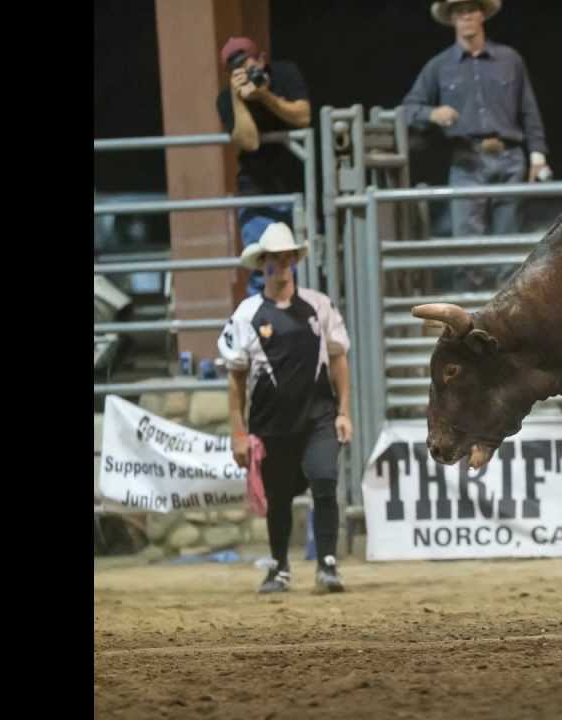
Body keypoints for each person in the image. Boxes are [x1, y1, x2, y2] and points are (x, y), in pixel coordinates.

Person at [218, 223, 353, 595]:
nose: (280, 264)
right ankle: (279, 565)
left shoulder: (318, 305)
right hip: (271, 424)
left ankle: (327, 562)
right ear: (262, 263)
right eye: (273, 258)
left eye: (285, 257)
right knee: (277, 496)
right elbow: (236, 380)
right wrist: (239, 432)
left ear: (294, 260)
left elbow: (339, 359)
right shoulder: (247, 315)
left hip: (318, 417)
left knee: (324, 479)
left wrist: (343, 411)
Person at [402, 0, 552, 237]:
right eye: (459, 12)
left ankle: (506, 275)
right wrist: (432, 113)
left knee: (509, 244)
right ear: (452, 19)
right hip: (467, 160)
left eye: (471, 10)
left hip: (510, 158)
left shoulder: (510, 59)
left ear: (482, 15)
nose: (466, 17)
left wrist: (537, 156)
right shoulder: (439, 66)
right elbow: (408, 110)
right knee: (467, 244)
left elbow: (528, 109)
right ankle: (472, 274)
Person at [215, 36, 311, 296]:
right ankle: (265, 333)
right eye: (236, 68)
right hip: (257, 194)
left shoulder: (284, 74)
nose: (246, 71)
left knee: (303, 272)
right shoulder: (226, 99)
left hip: (297, 195)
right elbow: (249, 141)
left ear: (262, 58)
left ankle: (299, 332)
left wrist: (264, 95)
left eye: (249, 63)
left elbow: (303, 116)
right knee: (264, 272)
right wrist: (239, 99)